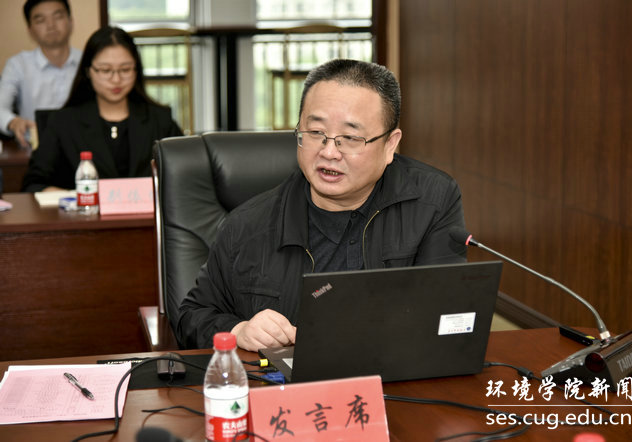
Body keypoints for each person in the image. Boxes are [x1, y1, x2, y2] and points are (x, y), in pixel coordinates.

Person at [176, 59, 467, 351]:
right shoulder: (247, 225)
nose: (329, 152)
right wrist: (239, 331)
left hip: (395, 373)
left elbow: (449, 315)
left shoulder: (432, 202)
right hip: (287, 379)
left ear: (390, 144)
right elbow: (191, 316)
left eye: (350, 138)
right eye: (316, 133)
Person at [21, 26, 182, 192]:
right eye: (106, 70)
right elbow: (33, 183)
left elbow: (187, 176)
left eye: (125, 69)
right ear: (88, 71)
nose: (116, 79)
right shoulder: (63, 122)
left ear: (136, 70)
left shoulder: (161, 120)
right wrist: (70, 198)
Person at [0, 0, 81, 148]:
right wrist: (13, 122)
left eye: (58, 17)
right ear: (30, 30)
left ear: (71, 22)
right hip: (33, 149)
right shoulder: (18, 65)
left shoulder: (89, 62)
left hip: (83, 149)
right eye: (40, 20)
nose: (51, 25)